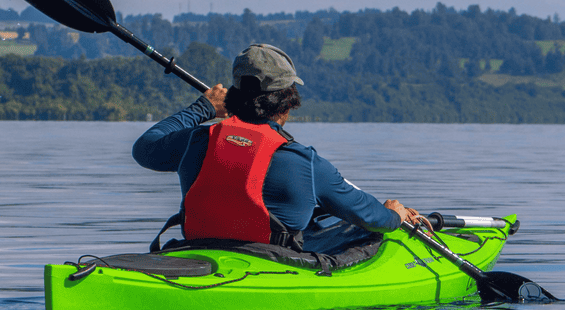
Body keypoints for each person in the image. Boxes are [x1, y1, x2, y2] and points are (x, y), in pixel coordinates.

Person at [133, 43, 425, 250]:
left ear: (234, 96)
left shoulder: (195, 141)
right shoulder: (303, 161)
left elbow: (145, 148)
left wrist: (203, 108)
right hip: (271, 265)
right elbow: (370, 217)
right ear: (287, 101)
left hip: (198, 250)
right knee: (367, 233)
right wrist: (394, 214)